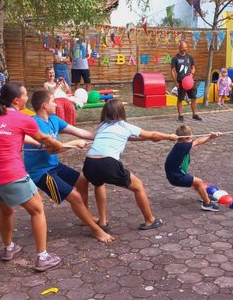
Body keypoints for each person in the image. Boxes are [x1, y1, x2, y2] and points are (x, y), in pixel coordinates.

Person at [0, 82, 68, 272]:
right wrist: (59, 146)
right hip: (11, 174)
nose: (27, 98)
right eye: (25, 95)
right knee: (37, 210)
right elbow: (44, 139)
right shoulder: (22, 119)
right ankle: (43, 257)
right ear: (16, 100)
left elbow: (18, 138)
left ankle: (9, 248)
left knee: (6, 211)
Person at [23, 90, 114, 243]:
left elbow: (77, 131)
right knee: (75, 197)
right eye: (53, 101)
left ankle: (85, 217)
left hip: (54, 166)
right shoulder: (34, 124)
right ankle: (96, 230)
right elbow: (53, 148)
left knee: (83, 180)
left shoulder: (53, 119)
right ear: (45, 105)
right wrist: (73, 144)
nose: (56, 104)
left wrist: (103, 136)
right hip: (41, 173)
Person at [76, 99, 177, 231]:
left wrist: (151, 138)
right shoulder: (125, 126)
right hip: (107, 163)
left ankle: (103, 222)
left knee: (98, 183)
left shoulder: (102, 126)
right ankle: (149, 220)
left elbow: (134, 137)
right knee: (138, 186)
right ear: (121, 112)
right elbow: (152, 134)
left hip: (89, 163)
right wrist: (169, 137)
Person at [164, 125, 221, 211]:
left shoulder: (181, 145)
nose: (192, 139)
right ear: (185, 138)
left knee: (196, 183)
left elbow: (198, 142)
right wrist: (210, 135)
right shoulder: (183, 146)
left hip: (175, 174)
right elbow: (197, 141)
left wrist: (211, 137)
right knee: (199, 181)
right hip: (176, 177)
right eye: (191, 137)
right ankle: (207, 204)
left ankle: (204, 196)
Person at [171, 41, 201, 121]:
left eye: (185, 48)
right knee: (180, 99)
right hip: (181, 82)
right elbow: (173, 71)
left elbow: (193, 67)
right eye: (183, 48)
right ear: (179, 48)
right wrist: (176, 82)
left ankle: (194, 114)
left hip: (190, 81)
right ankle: (180, 115)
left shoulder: (190, 57)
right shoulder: (175, 58)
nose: (184, 49)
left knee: (194, 97)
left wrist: (191, 73)